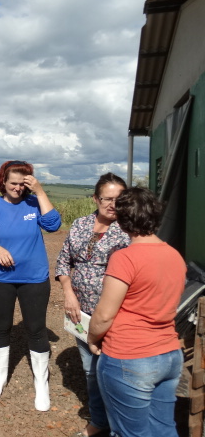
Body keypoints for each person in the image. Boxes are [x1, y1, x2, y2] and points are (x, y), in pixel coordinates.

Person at [88, 187, 185, 437]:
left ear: (121, 220)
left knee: (130, 432)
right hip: (169, 354)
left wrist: (92, 338)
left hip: (130, 357)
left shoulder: (125, 258)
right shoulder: (175, 256)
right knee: (164, 428)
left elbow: (104, 315)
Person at [0, 160, 61, 411]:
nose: (18, 188)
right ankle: (0, 377)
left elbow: (53, 225)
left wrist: (40, 191)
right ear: (3, 181)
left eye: (23, 184)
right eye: (13, 183)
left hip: (34, 278)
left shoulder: (34, 203)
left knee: (36, 329)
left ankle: (41, 384)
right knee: (1, 328)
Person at [55, 173, 129, 437]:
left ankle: (119, 424)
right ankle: (99, 421)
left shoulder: (131, 229)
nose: (112, 204)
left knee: (115, 374)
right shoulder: (80, 224)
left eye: (118, 200)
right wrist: (68, 292)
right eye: (107, 199)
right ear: (96, 198)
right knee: (91, 371)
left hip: (117, 315)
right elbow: (64, 261)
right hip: (81, 312)